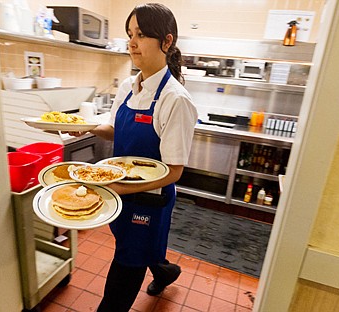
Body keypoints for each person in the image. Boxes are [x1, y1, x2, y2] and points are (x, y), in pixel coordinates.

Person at [70, 3, 198, 311]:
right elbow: (115, 128)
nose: (132, 42)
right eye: (130, 34)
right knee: (136, 246)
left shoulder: (175, 100)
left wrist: (122, 188)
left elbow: (174, 171)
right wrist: (84, 128)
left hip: (149, 200)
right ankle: (166, 271)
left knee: (127, 263)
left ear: (166, 42)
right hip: (120, 190)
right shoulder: (129, 86)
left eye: (141, 34)